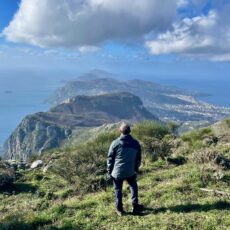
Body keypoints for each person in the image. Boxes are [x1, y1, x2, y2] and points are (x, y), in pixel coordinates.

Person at [107, 122, 143, 216]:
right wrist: (136, 169)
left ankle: (119, 209)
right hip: (130, 171)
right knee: (133, 186)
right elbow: (138, 158)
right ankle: (135, 206)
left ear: (120, 131)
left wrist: (109, 171)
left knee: (118, 190)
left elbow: (110, 158)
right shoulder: (136, 143)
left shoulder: (115, 143)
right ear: (130, 131)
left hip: (117, 173)